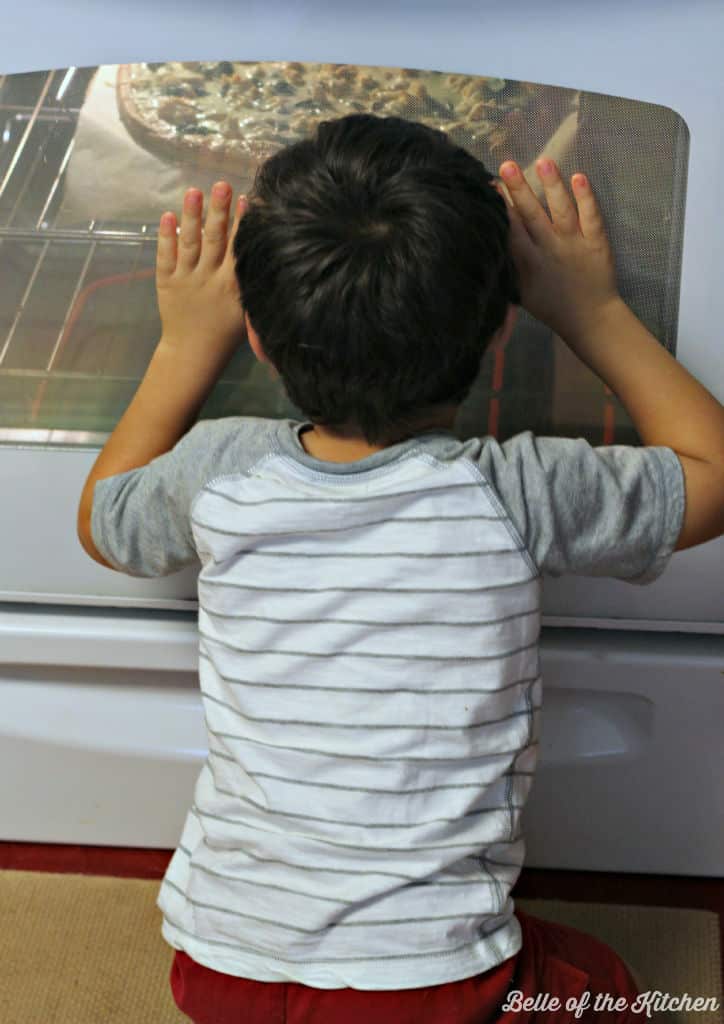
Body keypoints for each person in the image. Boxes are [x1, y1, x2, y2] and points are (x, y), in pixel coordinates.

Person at [77, 114, 724, 1022]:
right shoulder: (519, 490)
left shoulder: (220, 469)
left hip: (218, 968)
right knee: (615, 994)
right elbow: (715, 476)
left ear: (256, 336)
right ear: (501, 328)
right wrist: (593, 309)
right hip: (434, 987)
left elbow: (103, 521)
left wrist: (185, 344)